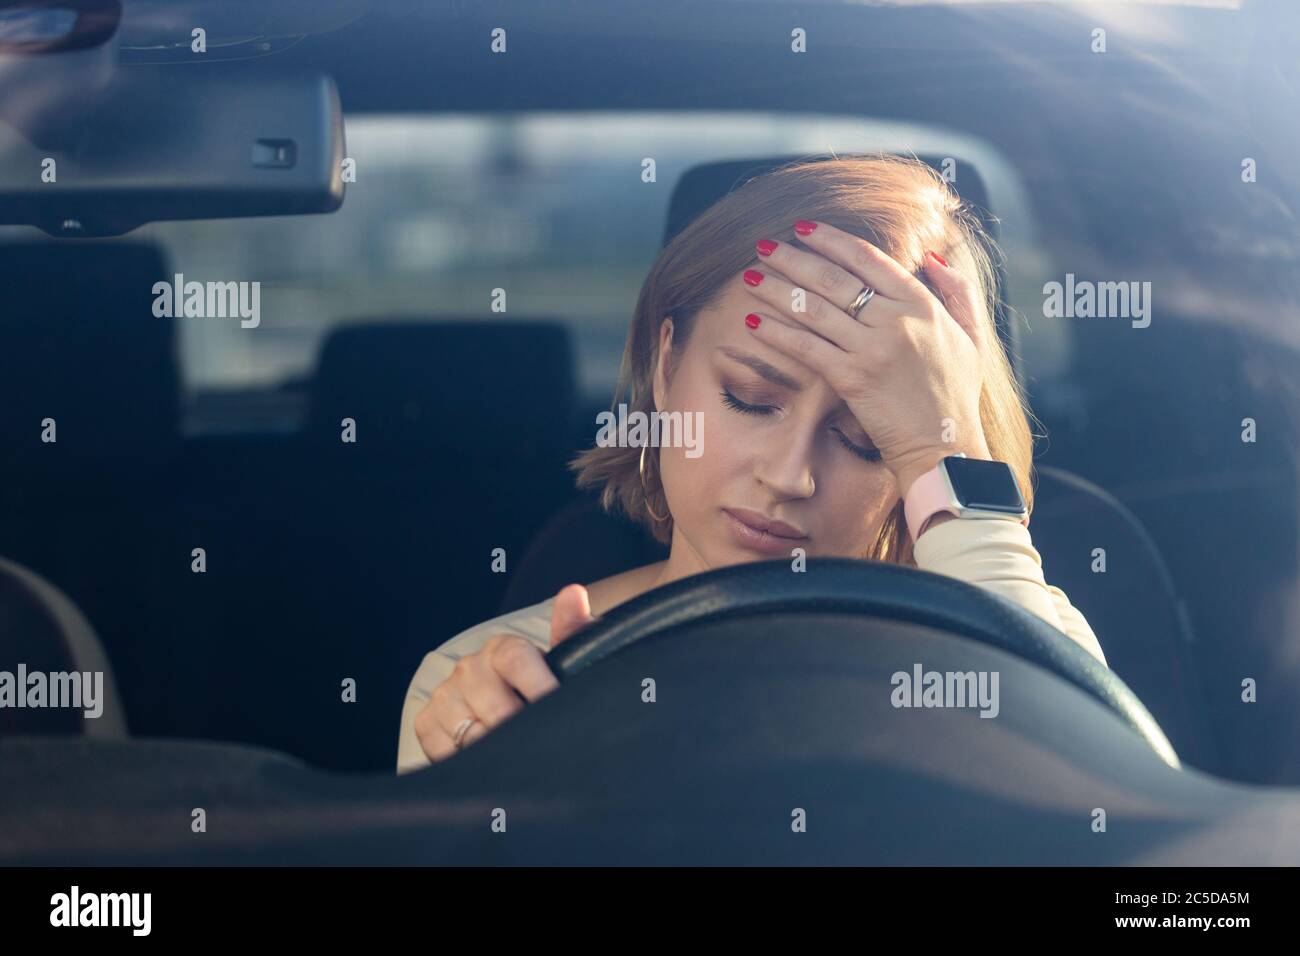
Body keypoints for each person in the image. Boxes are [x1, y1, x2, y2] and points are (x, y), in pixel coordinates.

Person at [396, 154, 1107, 774]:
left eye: (867, 440)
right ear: (667, 365)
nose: (789, 475)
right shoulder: (484, 683)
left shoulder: (1033, 640)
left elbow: (1098, 824)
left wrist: (943, 449)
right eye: (750, 399)